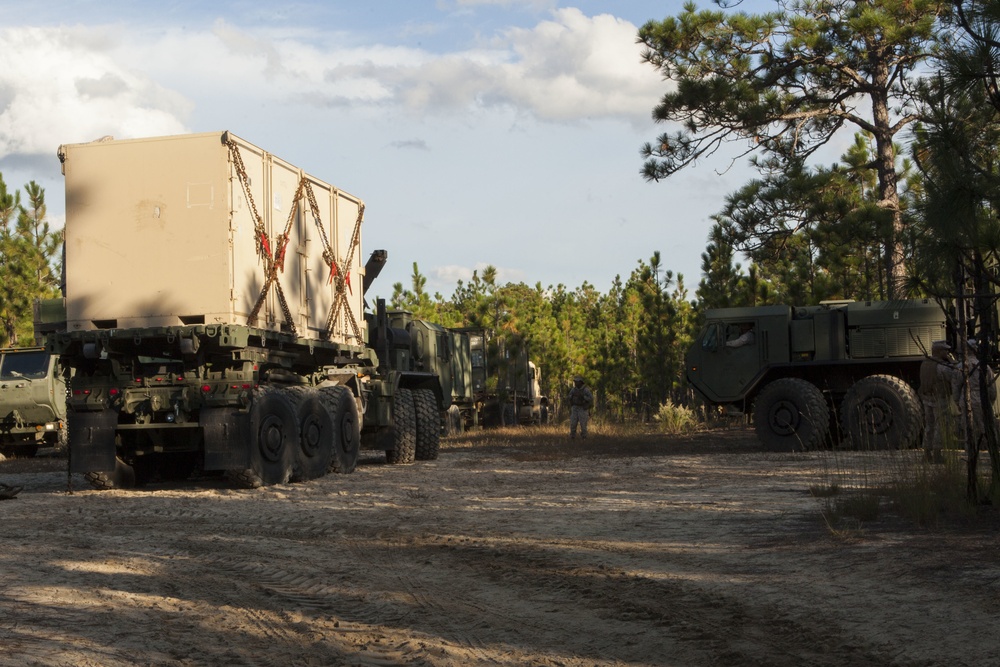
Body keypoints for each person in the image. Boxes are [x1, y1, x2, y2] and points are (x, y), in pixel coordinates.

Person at [954, 338, 996, 451]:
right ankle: (986, 449)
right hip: (981, 398)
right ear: (975, 350)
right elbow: (992, 389)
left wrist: (957, 401)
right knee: (984, 426)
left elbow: (956, 386)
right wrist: (990, 401)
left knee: (968, 426)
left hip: (965, 398)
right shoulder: (985, 367)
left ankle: (970, 451)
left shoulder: (959, 367)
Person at [919, 340, 957, 463]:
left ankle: (926, 454)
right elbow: (954, 376)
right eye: (945, 350)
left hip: (926, 398)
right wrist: (953, 362)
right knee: (940, 426)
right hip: (939, 399)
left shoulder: (925, 363)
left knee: (929, 426)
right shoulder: (941, 366)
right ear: (939, 351)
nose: (947, 352)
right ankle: (937, 454)